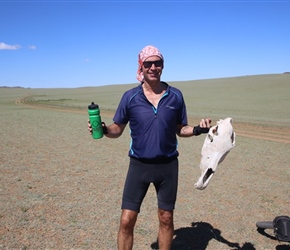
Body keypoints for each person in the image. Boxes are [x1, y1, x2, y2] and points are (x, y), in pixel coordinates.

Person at [88, 45, 211, 250]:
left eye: (158, 63)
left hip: (168, 165)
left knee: (166, 218)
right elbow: (117, 128)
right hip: (139, 165)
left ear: (163, 66)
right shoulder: (130, 97)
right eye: (148, 63)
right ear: (141, 66)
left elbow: (181, 129)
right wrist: (103, 129)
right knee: (127, 219)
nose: (153, 67)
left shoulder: (176, 96)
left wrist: (199, 129)